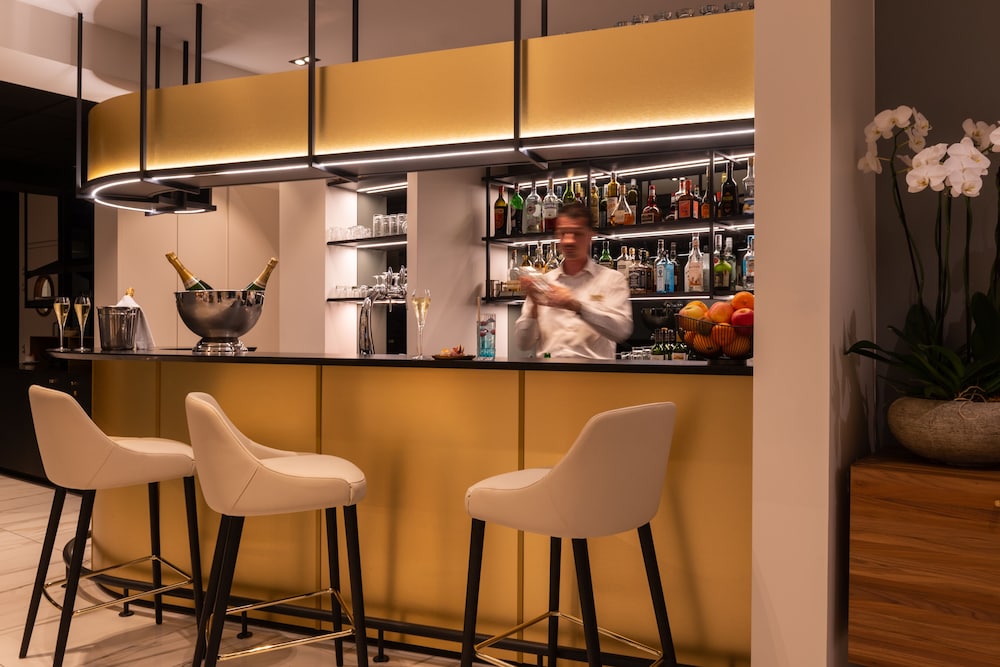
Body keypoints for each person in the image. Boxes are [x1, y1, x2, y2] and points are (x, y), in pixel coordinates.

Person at [514, 202, 632, 359]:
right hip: (547, 371)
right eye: (563, 233)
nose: (569, 241)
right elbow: (522, 344)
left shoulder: (612, 279)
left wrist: (575, 305)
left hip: (594, 372)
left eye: (577, 233)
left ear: (590, 236)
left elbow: (621, 330)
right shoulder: (545, 281)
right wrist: (533, 308)